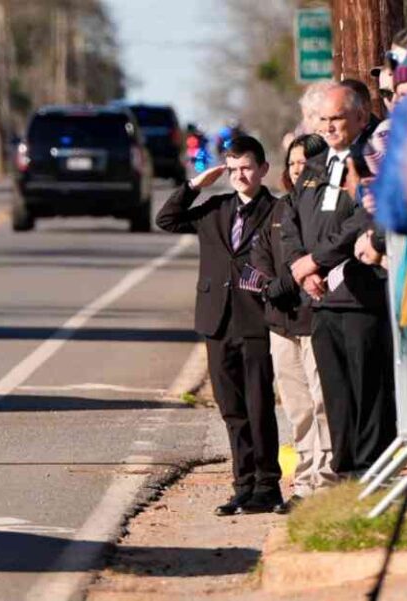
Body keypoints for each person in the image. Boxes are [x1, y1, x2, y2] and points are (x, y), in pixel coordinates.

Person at [157, 136, 284, 515]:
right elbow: (167, 219)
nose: (240, 175)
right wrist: (196, 185)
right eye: (233, 169)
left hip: (256, 320)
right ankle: (242, 484)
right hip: (217, 320)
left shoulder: (276, 212)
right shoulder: (215, 208)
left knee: (260, 405)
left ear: (263, 169)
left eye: (246, 167)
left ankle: (268, 485)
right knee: (231, 408)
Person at [283, 85, 396, 478]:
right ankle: (345, 472)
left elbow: (363, 220)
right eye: (324, 120)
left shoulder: (372, 162)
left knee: (369, 392)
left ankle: (370, 473)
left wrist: (317, 259)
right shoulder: (315, 166)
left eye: (338, 119)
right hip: (321, 300)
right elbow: (291, 218)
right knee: (336, 395)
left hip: (360, 295)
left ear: (361, 118)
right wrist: (302, 265)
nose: (330, 127)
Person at [249, 133, 337, 505]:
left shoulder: (329, 204)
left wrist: (287, 282)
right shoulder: (280, 208)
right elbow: (261, 255)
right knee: (298, 407)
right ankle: (303, 480)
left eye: (306, 162)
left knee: (323, 405)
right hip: (281, 322)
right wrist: (271, 285)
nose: (298, 169)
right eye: (293, 163)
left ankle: (327, 478)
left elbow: (322, 253)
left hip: (315, 316)